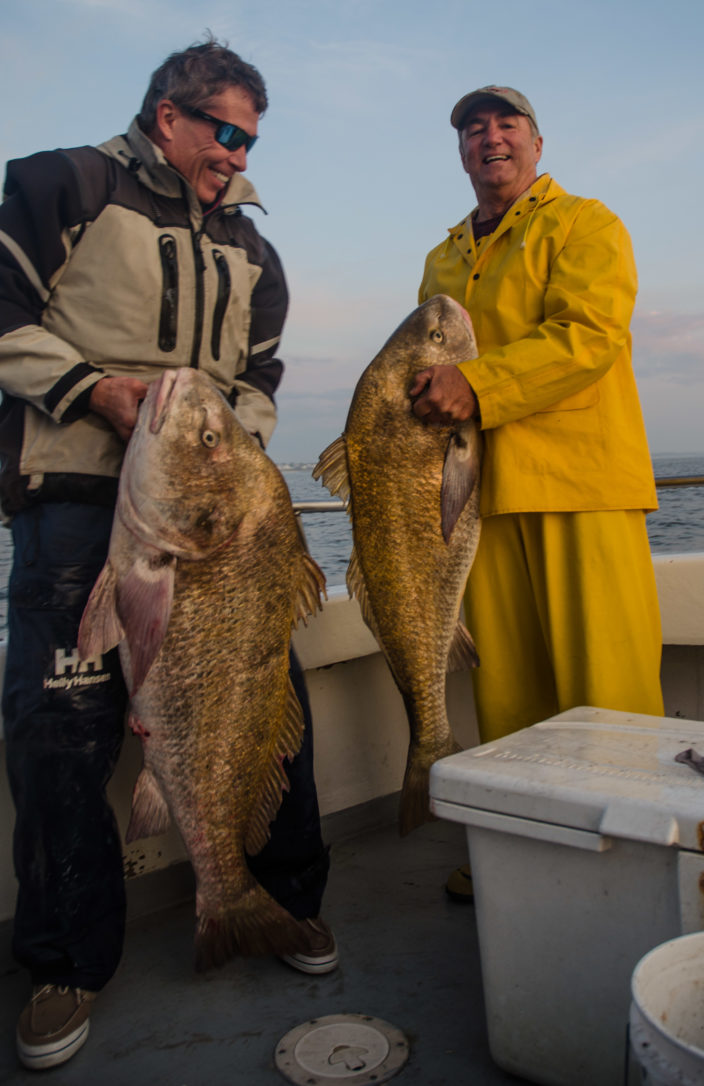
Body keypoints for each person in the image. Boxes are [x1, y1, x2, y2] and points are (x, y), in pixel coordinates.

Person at [0, 38, 336, 1072]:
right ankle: (67, 961)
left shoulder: (255, 254)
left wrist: (229, 449)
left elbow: (261, 379)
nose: (239, 155)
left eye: (250, 139)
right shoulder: (61, 184)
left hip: (214, 526)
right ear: (167, 115)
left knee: (267, 707)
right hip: (72, 504)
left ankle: (276, 899)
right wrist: (93, 391)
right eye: (226, 132)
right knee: (62, 739)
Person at [410, 86, 664, 901]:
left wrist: (476, 388)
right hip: (482, 501)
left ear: (537, 143)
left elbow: (589, 335)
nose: (490, 137)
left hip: (583, 484)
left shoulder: (585, 223)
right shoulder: (442, 257)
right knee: (507, 694)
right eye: (473, 129)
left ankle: (635, 864)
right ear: (460, 153)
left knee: (608, 686)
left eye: (506, 123)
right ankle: (515, 853)